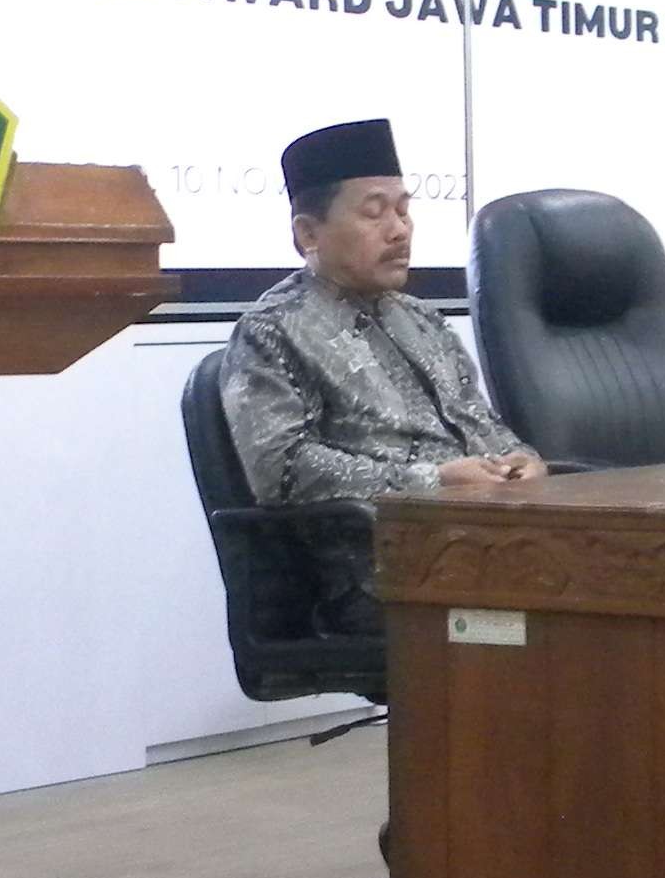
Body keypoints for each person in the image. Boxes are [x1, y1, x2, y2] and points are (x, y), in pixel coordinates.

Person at [222, 119, 540, 624]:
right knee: (567, 614)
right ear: (308, 233)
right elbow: (281, 471)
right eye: (375, 213)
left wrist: (520, 459)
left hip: (482, 545)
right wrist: (430, 481)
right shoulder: (272, 331)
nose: (399, 229)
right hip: (379, 574)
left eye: (404, 210)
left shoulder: (421, 319)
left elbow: (479, 422)